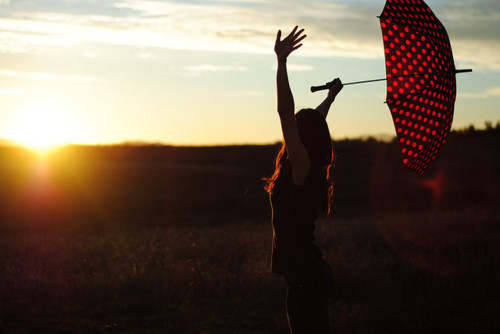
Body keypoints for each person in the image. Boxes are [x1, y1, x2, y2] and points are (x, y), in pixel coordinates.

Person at [264, 26, 343, 333]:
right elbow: (314, 123)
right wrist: (331, 98)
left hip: (305, 276)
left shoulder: (301, 167)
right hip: (311, 272)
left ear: (301, 136)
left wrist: (281, 63)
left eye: (296, 130)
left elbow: (286, 112)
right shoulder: (308, 167)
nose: (290, 133)